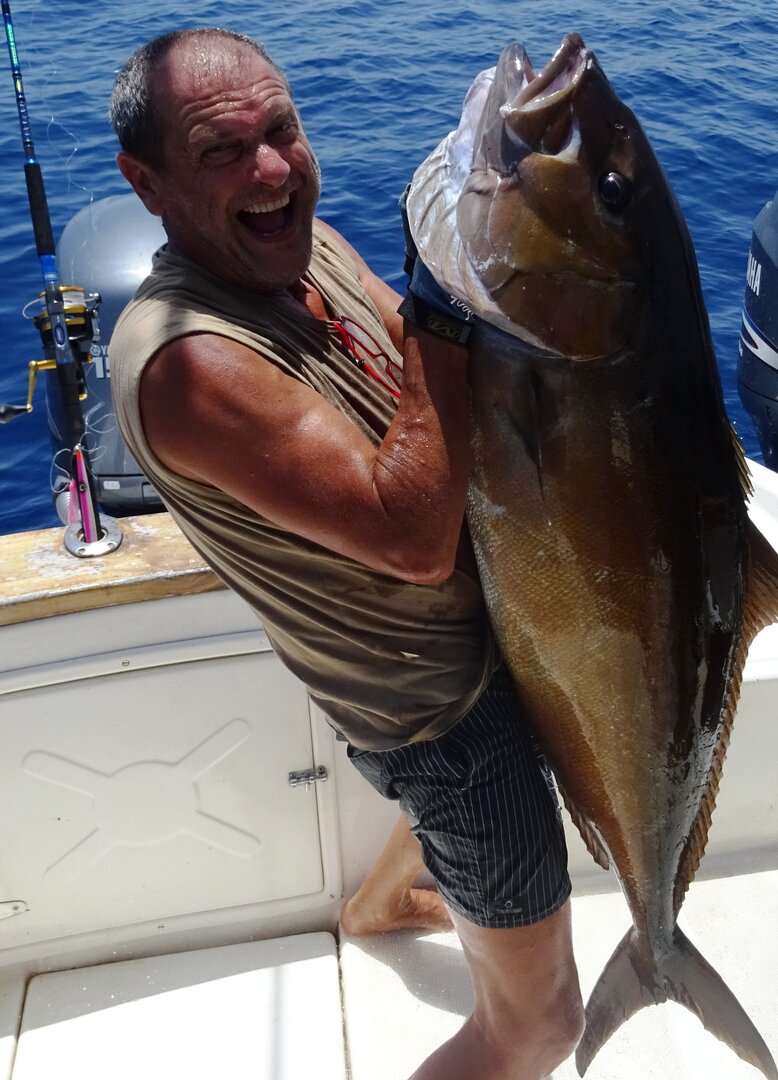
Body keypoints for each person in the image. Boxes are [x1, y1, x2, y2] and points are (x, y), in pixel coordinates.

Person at [107, 28, 583, 1080]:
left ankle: (378, 905)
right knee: (540, 1028)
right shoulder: (187, 359)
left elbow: (416, 368)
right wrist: (450, 287)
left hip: (480, 627)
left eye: (281, 131)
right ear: (145, 183)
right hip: (442, 716)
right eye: (222, 152)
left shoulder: (294, 242)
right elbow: (412, 537)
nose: (271, 170)